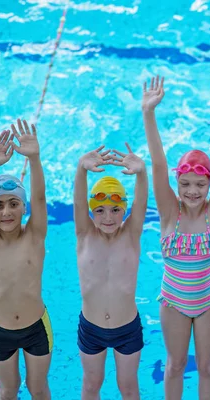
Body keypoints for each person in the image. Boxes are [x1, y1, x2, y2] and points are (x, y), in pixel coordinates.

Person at [142, 76, 210, 400]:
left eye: (200, 184)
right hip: (174, 302)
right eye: (186, 184)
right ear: (178, 184)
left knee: (207, 366)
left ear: (208, 185)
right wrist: (148, 113)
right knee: (175, 364)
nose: (193, 191)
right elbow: (158, 163)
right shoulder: (170, 213)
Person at [0, 119, 52, 399]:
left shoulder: (35, 236)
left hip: (35, 327)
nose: (6, 212)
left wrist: (35, 159)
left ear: (24, 208)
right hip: (0, 330)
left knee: (37, 388)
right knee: (8, 389)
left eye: (13, 203)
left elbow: (40, 199)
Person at [74, 143, 148, 400]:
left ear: (124, 210)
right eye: (100, 210)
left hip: (127, 328)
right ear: (91, 212)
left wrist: (141, 173)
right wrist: (81, 170)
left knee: (127, 387)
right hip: (91, 328)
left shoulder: (131, 234)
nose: (108, 217)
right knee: (91, 385)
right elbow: (79, 201)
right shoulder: (85, 235)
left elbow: (141, 202)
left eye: (116, 210)